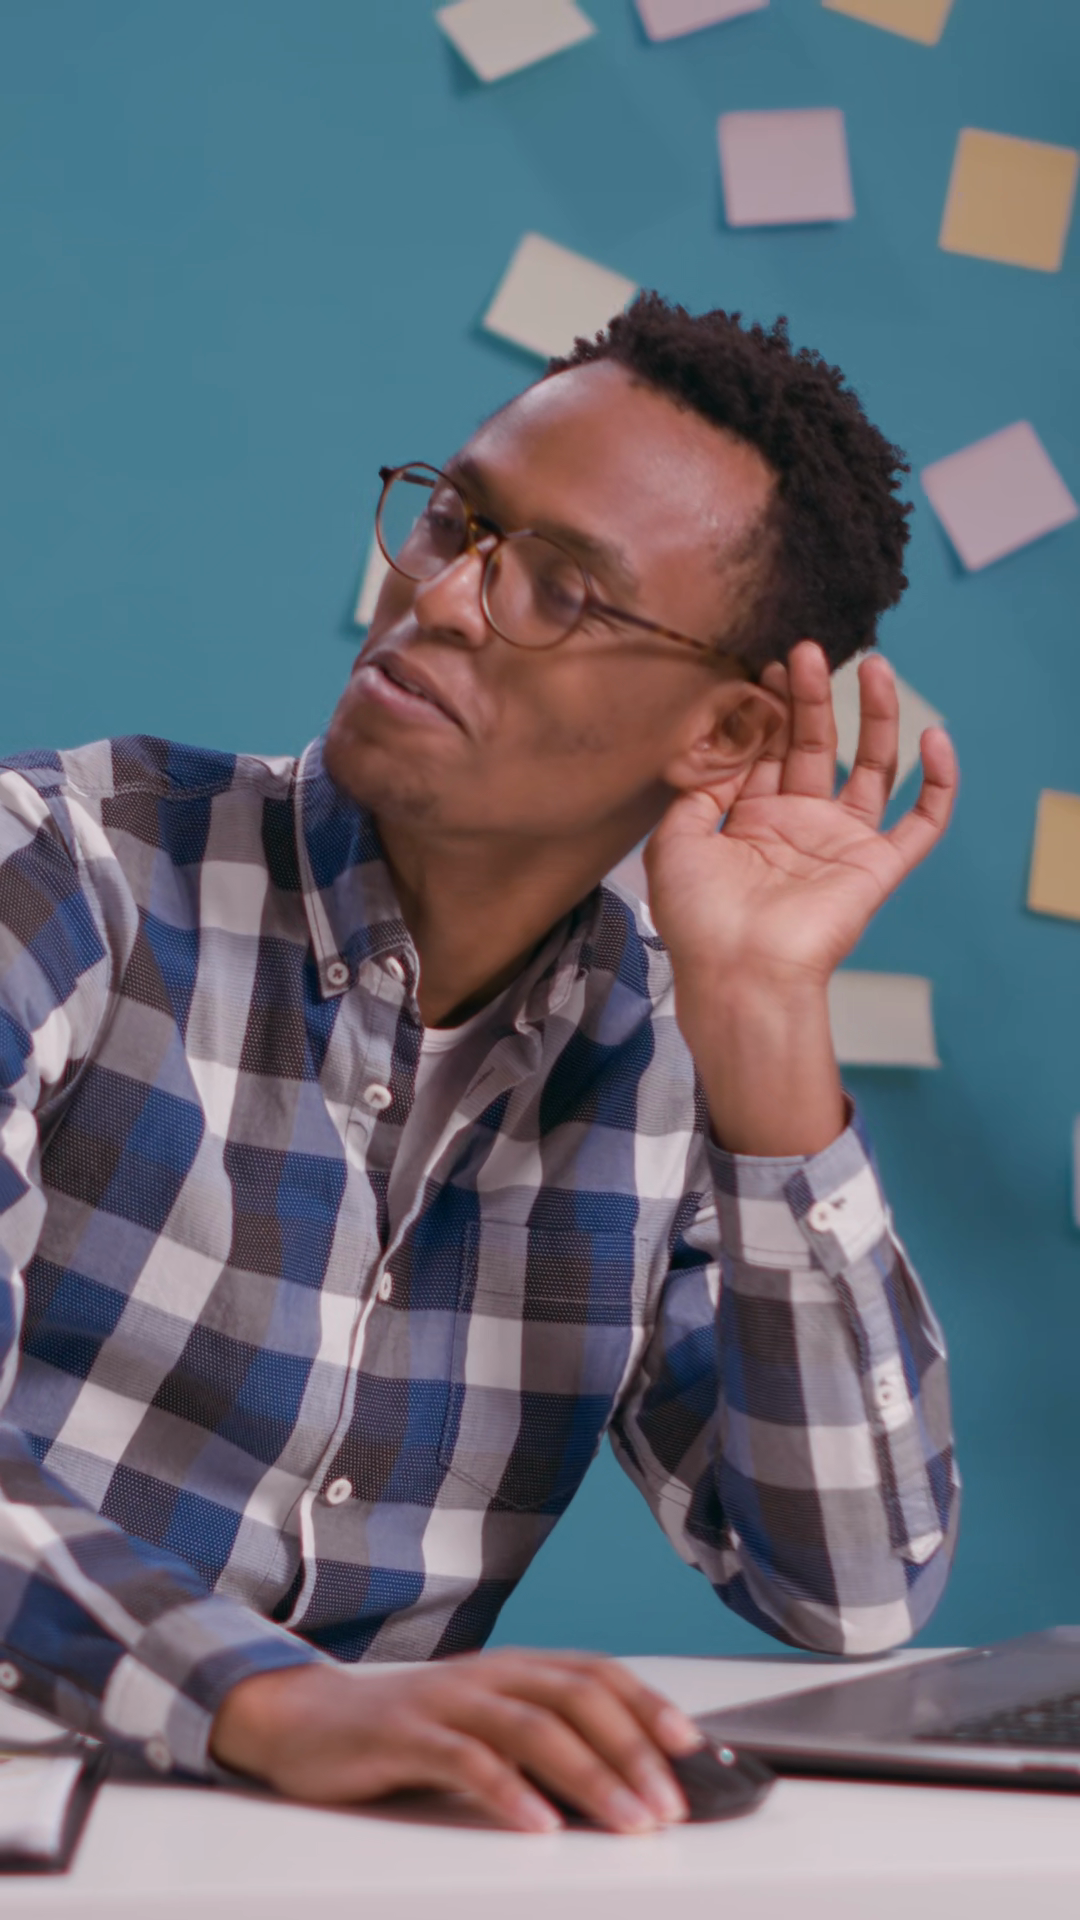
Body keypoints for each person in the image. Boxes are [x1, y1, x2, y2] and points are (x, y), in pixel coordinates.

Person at [0, 297, 957, 1836]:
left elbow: (852, 1590)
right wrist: (268, 1698)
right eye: (457, 521)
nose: (439, 598)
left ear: (723, 734)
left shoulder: (665, 1053)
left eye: (562, 590)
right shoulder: (57, 874)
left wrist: (766, 1016)